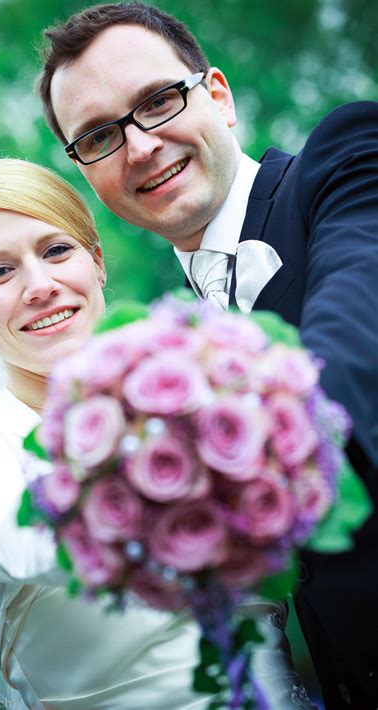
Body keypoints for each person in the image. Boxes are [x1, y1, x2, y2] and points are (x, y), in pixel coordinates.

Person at [37, 3, 378, 708]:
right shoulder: (169, 346)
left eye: (158, 102)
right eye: (99, 136)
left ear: (217, 95)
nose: (140, 147)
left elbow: (353, 329)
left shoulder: (345, 161)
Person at [0, 157, 313, 709]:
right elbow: (16, 535)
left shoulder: (204, 403)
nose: (40, 286)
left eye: (56, 251)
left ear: (97, 263)